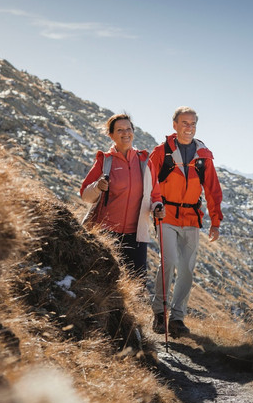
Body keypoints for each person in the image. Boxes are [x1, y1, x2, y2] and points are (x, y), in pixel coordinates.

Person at [149, 106, 223, 337]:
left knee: (187, 270)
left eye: (192, 124)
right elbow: (149, 183)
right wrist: (154, 207)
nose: (188, 128)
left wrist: (216, 221)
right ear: (175, 125)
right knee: (169, 262)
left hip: (192, 218)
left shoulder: (204, 156)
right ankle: (160, 314)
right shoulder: (161, 152)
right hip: (166, 215)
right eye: (184, 123)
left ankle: (177, 319)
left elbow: (212, 189)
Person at [79, 113, 158, 282]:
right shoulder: (105, 161)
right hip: (107, 233)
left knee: (136, 284)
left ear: (133, 132)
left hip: (136, 235)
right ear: (111, 135)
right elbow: (85, 194)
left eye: (128, 129)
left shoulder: (144, 161)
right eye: (120, 130)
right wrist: (97, 187)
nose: (125, 133)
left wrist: (158, 206)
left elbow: (154, 194)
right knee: (105, 282)